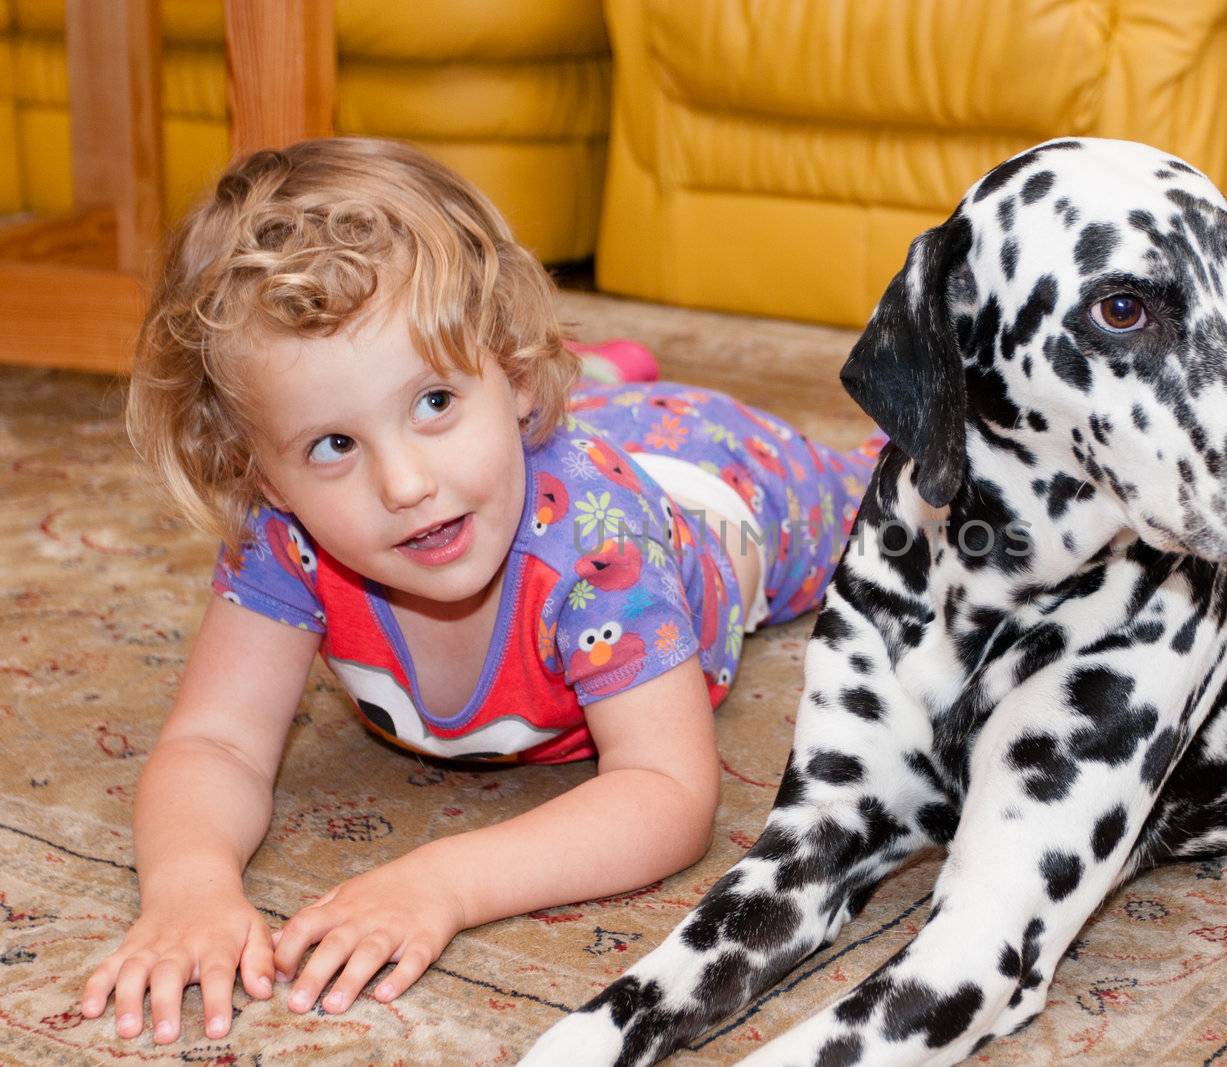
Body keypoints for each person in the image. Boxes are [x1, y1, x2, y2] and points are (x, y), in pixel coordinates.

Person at [79, 137, 883, 1045]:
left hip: (716, 484)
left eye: (433, 402)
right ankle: (597, 375)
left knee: (896, 500)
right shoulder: (287, 540)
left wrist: (444, 880)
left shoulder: (597, 547)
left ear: (514, 375)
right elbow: (214, 741)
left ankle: (609, 384)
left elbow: (666, 791)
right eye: (333, 445)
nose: (406, 483)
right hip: (552, 441)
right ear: (260, 474)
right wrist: (190, 887)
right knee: (533, 442)